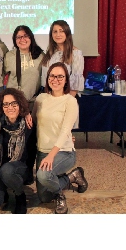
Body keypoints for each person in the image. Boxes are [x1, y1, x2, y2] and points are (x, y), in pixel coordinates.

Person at [33, 62, 88, 214]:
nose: (55, 79)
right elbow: (35, 122)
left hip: (63, 151)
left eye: (60, 76)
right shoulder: (41, 98)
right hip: (42, 151)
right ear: (47, 78)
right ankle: (73, 176)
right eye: (52, 76)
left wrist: (51, 156)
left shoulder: (70, 101)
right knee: (44, 197)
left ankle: (60, 195)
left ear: (66, 80)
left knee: (43, 175)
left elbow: (65, 131)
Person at [0, 88, 32, 214]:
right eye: (6, 104)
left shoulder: (28, 125)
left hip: (19, 168)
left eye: (14, 103)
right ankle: (3, 190)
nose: (10, 107)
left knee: (7, 170)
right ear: (1, 107)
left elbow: (32, 152)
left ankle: (19, 195)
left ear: (20, 105)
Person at [40, 20, 84, 95]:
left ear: (67, 33)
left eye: (61, 31)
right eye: (55, 31)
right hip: (47, 94)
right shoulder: (50, 52)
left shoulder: (76, 53)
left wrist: (66, 100)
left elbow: (76, 84)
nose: (58, 34)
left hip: (66, 96)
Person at [5, 25, 44, 109]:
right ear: (15, 40)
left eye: (25, 36)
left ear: (31, 38)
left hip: (34, 102)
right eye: (18, 37)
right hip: (13, 103)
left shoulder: (40, 56)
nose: (22, 39)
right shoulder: (9, 56)